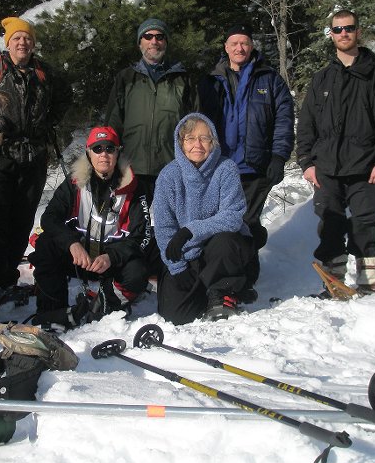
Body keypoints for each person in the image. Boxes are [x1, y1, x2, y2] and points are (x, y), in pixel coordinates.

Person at [0, 17, 71, 294]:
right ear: (8, 42)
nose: (22, 43)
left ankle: (6, 275)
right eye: (17, 38)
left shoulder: (45, 73)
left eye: (27, 38)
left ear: (33, 43)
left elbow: (65, 97)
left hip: (34, 156)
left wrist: (48, 121)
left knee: (23, 220)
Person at [296, 9, 375, 295]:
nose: (344, 34)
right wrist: (306, 161)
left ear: (358, 32)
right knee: (329, 224)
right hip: (327, 166)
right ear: (331, 34)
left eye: (349, 28)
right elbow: (306, 125)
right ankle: (334, 282)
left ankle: (368, 283)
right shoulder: (322, 79)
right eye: (338, 29)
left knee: (366, 223)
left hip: (365, 166)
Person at [198, 23, 294, 301]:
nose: (240, 48)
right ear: (226, 47)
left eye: (245, 43)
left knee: (247, 222)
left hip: (255, 167)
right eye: (234, 43)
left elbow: (284, 121)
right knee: (225, 223)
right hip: (219, 168)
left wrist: (278, 156)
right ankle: (230, 276)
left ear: (251, 46)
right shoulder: (211, 80)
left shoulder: (269, 80)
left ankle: (244, 280)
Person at [28, 127, 151, 330]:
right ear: (88, 153)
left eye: (110, 148)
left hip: (110, 263)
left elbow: (142, 236)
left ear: (118, 152)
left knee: (138, 271)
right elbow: (49, 219)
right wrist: (71, 243)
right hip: (79, 258)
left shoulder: (135, 189)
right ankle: (53, 311)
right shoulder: (74, 183)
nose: (104, 154)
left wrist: (111, 256)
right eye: (97, 148)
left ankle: (106, 304)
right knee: (45, 245)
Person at [153, 113, 254, 325]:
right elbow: (163, 228)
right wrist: (177, 268)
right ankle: (204, 291)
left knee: (226, 241)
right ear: (180, 143)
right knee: (176, 316)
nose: (197, 144)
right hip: (187, 253)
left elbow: (233, 215)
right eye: (190, 138)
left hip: (219, 250)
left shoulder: (225, 168)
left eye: (205, 138)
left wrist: (191, 230)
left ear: (213, 141)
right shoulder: (168, 176)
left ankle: (224, 292)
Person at [105, 17, 200, 202]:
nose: (154, 41)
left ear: (166, 42)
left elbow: (195, 124)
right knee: (133, 226)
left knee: (171, 226)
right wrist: (109, 159)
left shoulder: (182, 79)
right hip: (131, 167)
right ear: (140, 42)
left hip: (171, 167)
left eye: (159, 36)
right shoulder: (126, 78)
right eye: (148, 36)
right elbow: (112, 123)